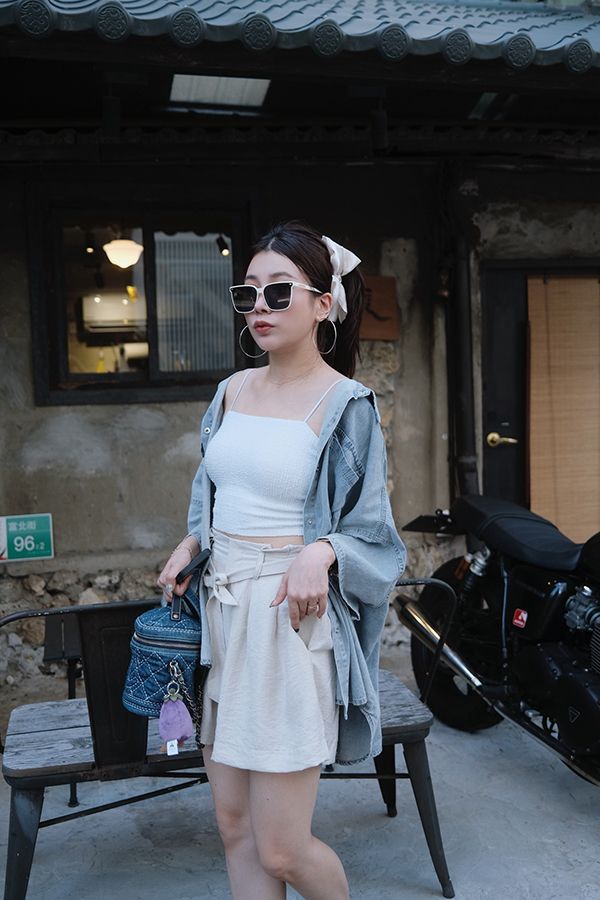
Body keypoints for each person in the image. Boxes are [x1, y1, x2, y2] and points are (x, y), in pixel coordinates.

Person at [157, 221, 406, 900]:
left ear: (324, 304)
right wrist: (191, 544)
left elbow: (377, 538)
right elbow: (212, 494)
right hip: (221, 621)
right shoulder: (231, 392)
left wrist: (322, 550)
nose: (259, 307)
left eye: (278, 291)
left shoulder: (347, 406)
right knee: (234, 827)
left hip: (289, 626)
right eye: (248, 294)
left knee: (283, 846)